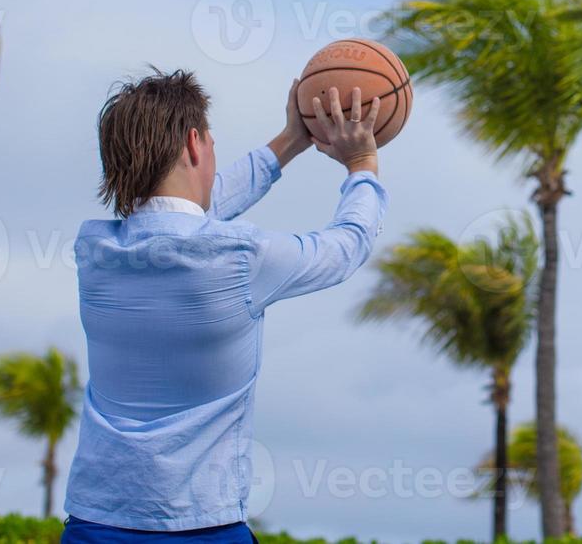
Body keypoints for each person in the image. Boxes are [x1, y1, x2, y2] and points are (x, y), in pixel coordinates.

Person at [61, 69, 385, 542]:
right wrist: (362, 165)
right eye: (211, 143)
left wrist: (292, 140)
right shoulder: (242, 259)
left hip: (96, 521)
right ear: (196, 144)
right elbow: (346, 246)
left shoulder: (95, 252)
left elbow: (184, 214)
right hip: (204, 526)